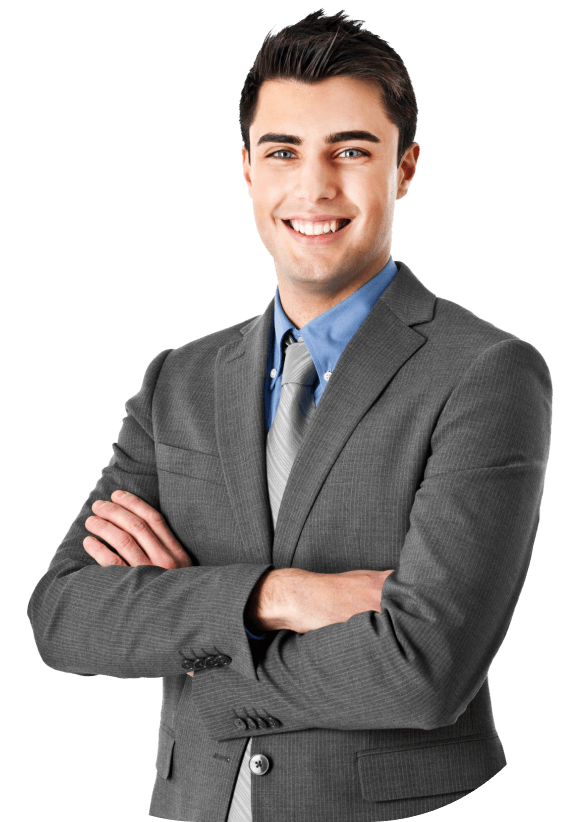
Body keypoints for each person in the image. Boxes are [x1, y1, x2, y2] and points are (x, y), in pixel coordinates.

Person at [28, 9, 552, 822]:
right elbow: (63, 617)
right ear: (246, 169)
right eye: (282, 152)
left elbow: (425, 670)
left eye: (351, 150)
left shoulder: (484, 373)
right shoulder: (179, 379)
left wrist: (197, 658)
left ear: (404, 168)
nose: (314, 188)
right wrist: (276, 597)